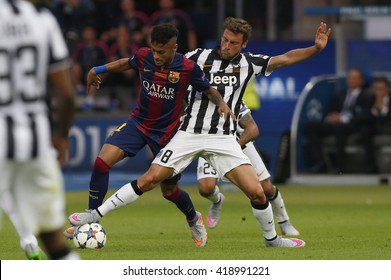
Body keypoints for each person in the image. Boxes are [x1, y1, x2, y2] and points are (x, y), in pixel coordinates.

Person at [68, 18, 330, 248]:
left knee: (257, 192)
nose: (227, 46)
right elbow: (168, 60)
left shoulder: (251, 63)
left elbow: (285, 59)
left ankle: (272, 240)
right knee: (150, 180)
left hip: (223, 138)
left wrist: (316, 49)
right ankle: (96, 214)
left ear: (244, 44)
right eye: (225, 40)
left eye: (233, 43)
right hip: (189, 133)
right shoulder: (196, 58)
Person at [64, 23, 234, 247]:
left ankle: (193, 218)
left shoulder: (187, 68)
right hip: (138, 123)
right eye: (153, 49)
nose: (156, 55)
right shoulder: (144, 56)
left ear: (174, 48)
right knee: (101, 162)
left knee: (169, 191)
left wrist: (221, 102)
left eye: (161, 51)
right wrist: (98, 69)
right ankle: (89, 217)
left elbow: (208, 90)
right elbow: (127, 63)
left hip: (168, 134)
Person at [0, 0, 79, 260]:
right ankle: (33, 245)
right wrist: (61, 137)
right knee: (54, 240)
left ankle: (29, 243)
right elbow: (66, 95)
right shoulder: (43, 20)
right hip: (35, 137)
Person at [197, 103, 300, 235]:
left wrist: (234, 148)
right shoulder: (198, 96)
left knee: (266, 187)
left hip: (239, 144)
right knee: (206, 189)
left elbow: (253, 129)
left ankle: (285, 222)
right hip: (210, 145)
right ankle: (217, 200)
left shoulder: (232, 96)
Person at [306, 68, 375, 173]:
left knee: (339, 127)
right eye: (350, 78)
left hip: (354, 125)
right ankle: (321, 163)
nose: (352, 80)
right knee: (312, 126)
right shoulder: (341, 94)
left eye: (355, 78)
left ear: (362, 81)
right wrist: (330, 117)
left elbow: (365, 115)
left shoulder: (367, 95)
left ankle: (340, 167)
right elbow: (333, 110)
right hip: (336, 124)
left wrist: (343, 118)